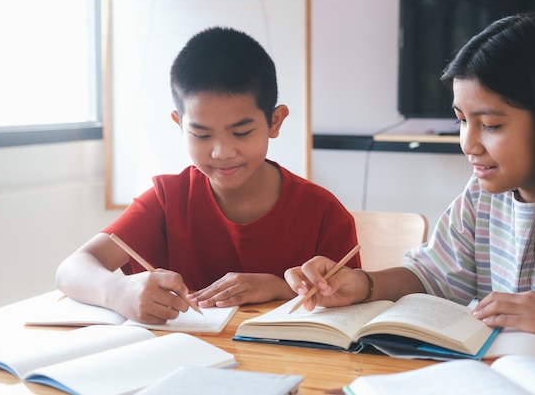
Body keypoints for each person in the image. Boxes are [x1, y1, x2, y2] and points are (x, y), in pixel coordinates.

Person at [285, 12, 535, 340]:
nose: (468, 144)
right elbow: (429, 275)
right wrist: (361, 285)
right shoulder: (481, 197)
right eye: (462, 121)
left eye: (491, 125)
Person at [56, 26, 360, 324]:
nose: (222, 152)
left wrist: (279, 288)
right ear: (180, 126)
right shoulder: (167, 200)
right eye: (201, 135)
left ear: (275, 121)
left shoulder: (322, 214)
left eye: (241, 132)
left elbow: (353, 307)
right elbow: (72, 269)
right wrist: (116, 291)